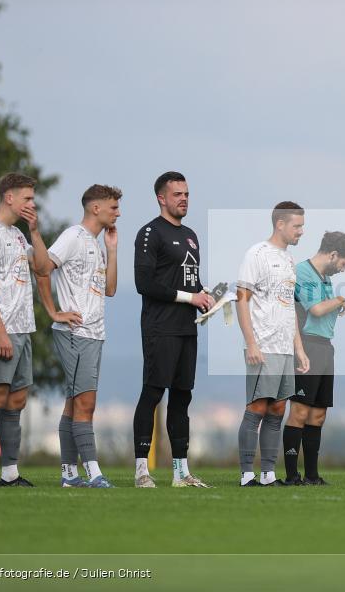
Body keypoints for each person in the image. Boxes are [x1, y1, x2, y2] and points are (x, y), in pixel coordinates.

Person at [132, 172, 214, 488]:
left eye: (187, 194)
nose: (183, 199)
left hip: (186, 329)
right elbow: (145, 284)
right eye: (177, 194)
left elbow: (189, 284)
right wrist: (189, 297)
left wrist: (206, 297)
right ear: (161, 198)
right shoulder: (150, 233)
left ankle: (181, 474)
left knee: (182, 397)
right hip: (159, 328)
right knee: (152, 393)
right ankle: (142, 470)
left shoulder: (192, 235)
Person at [36, 185, 121, 488]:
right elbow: (43, 267)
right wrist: (54, 312)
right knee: (86, 403)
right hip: (75, 333)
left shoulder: (96, 244)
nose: (118, 213)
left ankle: (69, 475)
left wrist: (111, 250)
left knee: (74, 403)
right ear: (95, 208)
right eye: (113, 207)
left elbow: (109, 289)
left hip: (94, 333)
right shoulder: (73, 236)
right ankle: (94, 472)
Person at [0, 172, 52, 487]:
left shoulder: (19, 235)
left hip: (25, 329)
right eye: (28, 198)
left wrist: (34, 231)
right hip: (3, 330)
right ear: (9, 197)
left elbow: (44, 268)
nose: (32, 203)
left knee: (17, 400)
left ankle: (10, 472)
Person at [235, 202, 309, 487]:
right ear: (280, 224)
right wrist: (251, 343)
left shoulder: (289, 260)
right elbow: (241, 299)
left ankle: (267, 474)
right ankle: (246, 475)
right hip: (262, 346)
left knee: (278, 410)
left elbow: (288, 307)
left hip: (284, 347)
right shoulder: (257, 254)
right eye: (297, 226)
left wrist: (299, 348)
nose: (301, 232)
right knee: (257, 409)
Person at [283, 231, 345, 485]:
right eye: (344, 263)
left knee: (318, 415)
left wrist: (337, 302)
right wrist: (339, 300)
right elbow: (315, 309)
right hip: (308, 347)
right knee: (300, 412)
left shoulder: (325, 277)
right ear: (333, 255)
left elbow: (325, 308)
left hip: (325, 348)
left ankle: (312, 475)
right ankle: (292, 475)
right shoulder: (303, 272)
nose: (344, 269)